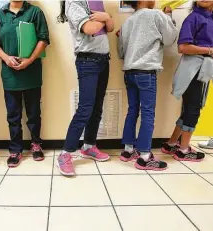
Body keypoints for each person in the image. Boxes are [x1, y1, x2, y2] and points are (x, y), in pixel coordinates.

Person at [118, 1, 178, 170]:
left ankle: (128, 150)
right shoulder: (157, 15)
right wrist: (169, 17)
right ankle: (144, 156)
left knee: (132, 110)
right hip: (146, 72)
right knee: (148, 114)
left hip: (129, 72)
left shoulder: (127, 21)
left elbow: (121, 51)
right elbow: (170, 39)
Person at [56, 0, 114, 176]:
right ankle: (65, 153)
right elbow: (89, 29)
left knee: (97, 108)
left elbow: (110, 27)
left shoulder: (96, 2)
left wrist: (106, 17)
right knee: (85, 109)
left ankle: (89, 146)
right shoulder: (74, 3)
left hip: (104, 60)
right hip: (87, 61)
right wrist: (106, 18)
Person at [0, 1, 49, 167]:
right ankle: (15, 149)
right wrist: (6, 58)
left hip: (31, 71)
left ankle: (36, 143)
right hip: (10, 73)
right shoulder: (0, 15)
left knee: (34, 112)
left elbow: (43, 38)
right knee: (13, 115)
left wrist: (29, 60)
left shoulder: (35, 12)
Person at [161, 0, 213, 161]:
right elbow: (183, 47)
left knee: (190, 107)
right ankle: (183, 150)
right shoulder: (193, 18)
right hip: (193, 68)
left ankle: (170, 144)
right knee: (193, 108)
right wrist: (210, 50)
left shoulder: (209, 18)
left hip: (204, 67)